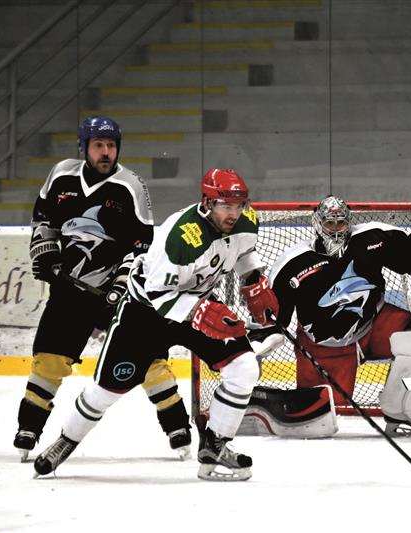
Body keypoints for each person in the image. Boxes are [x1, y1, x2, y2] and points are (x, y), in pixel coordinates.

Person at [33, 168, 278, 481]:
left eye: (238, 205)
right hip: (145, 312)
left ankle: (215, 446)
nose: (233, 213)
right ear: (207, 203)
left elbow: (243, 251)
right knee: (106, 390)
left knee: (244, 367)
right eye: (225, 206)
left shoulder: (246, 221)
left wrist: (253, 280)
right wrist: (202, 312)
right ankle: (66, 440)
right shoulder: (180, 236)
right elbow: (157, 293)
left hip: (195, 301)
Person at [14, 116, 190, 461]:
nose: (106, 152)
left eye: (111, 145)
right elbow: (43, 219)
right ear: (84, 147)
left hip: (117, 296)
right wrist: (45, 251)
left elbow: (142, 245)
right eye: (98, 145)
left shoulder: (130, 186)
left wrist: (122, 282)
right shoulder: (61, 175)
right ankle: (28, 429)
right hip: (69, 293)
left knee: (150, 360)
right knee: (49, 360)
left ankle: (177, 428)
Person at [266, 195, 411, 437]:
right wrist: (260, 344)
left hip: (375, 326)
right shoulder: (291, 264)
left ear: (349, 223)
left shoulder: (372, 239)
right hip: (324, 347)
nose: (336, 230)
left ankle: (406, 406)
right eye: (329, 224)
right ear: (317, 225)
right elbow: (272, 321)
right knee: (316, 420)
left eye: (341, 223)